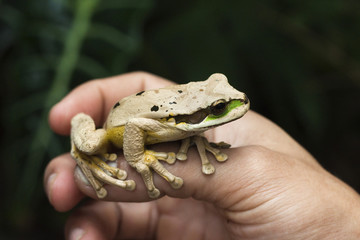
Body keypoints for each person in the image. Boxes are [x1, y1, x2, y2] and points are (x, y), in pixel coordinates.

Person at [44, 72, 360, 240]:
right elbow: (137, 124)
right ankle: (85, 153)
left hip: (179, 118)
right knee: (89, 145)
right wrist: (138, 158)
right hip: (118, 127)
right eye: (220, 108)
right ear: (197, 116)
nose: (241, 102)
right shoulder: (175, 122)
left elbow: (186, 120)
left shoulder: (187, 122)